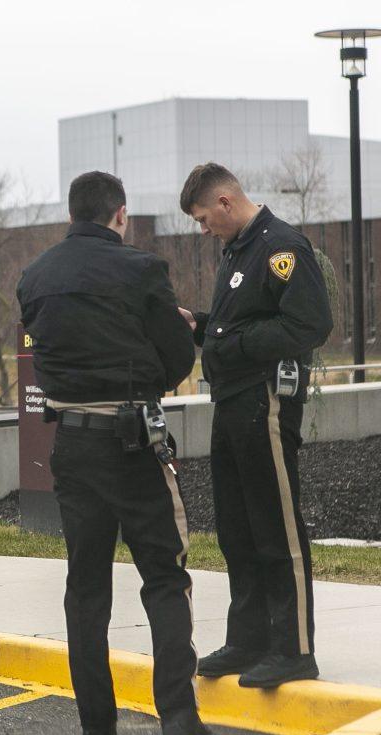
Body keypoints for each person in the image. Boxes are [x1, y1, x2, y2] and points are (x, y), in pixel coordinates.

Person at [18, 171, 228, 735]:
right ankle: (180, 723)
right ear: (120, 216)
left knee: (86, 589)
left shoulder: (35, 276)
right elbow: (178, 353)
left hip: (72, 449)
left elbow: (47, 354)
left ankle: (97, 734)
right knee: (165, 576)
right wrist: (151, 382)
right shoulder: (141, 270)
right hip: (132, 442)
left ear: (72, 214)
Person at [177, 163, 332, 688]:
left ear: (223, 203)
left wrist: (234, 347)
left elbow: (310, 323)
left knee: (275, 527)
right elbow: (235, 325)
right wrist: (200, 325)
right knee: (237, 528)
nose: (203, 229)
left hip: (264, 402)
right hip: (231, 403)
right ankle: (248, 641)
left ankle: (293, 649)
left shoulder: (282, 247)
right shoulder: (238, 252)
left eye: (203, 218)